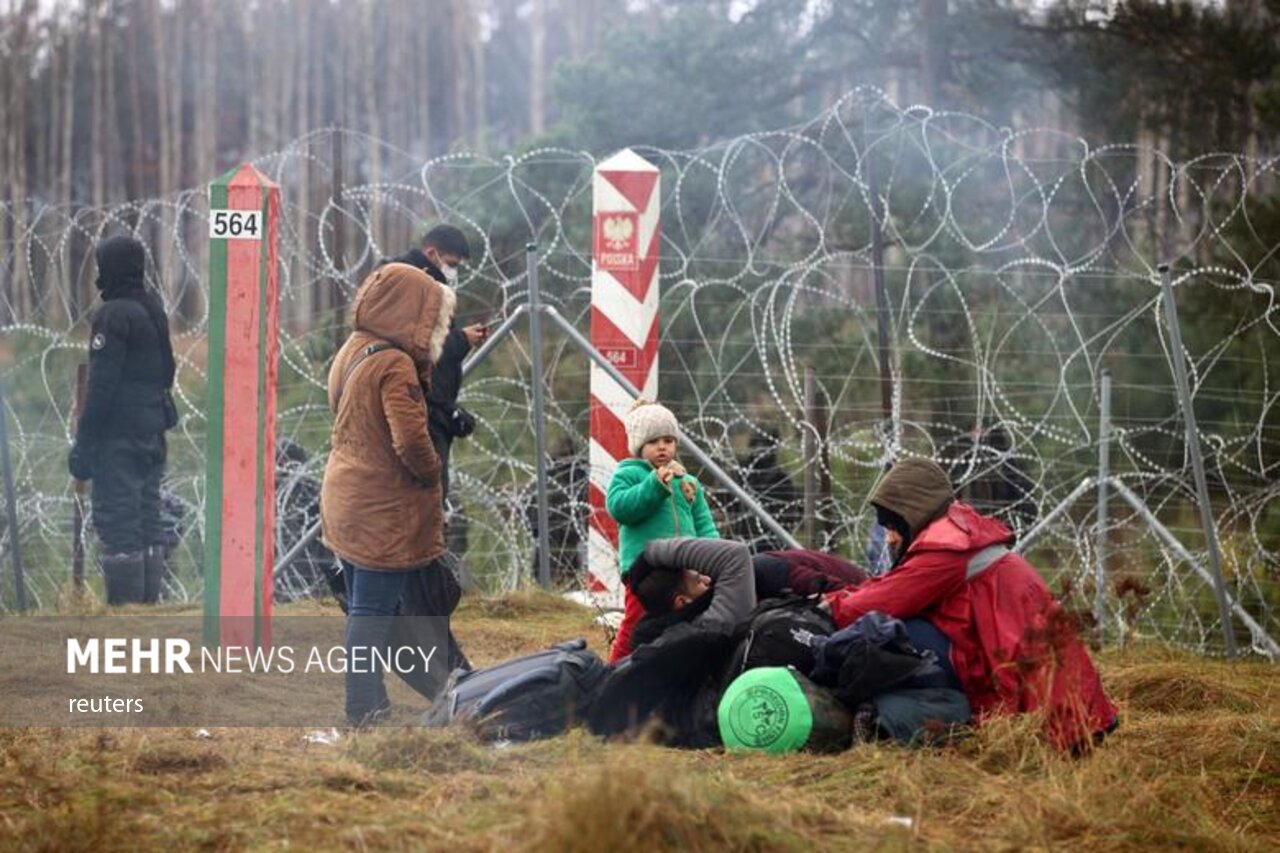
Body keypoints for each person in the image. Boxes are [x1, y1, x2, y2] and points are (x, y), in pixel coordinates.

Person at [819, 458, 1117, 751]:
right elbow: (893, 585)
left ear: (913, 514)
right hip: (1066, 700)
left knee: (891, 633)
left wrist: (824, 609)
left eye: (893, 524)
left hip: (1056, 713)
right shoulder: (958, 534)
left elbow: (881, 602)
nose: (889, 537)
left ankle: (885, 717)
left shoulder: (947, 550)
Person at [321, 262, 456, 726]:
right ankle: (362, 709)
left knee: (365, 605)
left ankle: (371, 701)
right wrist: (432, 472)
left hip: (348, 494)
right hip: (381, 506)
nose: (438, 327)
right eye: (433, 317)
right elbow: (411, 440)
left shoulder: (355, 348)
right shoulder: (395, 364)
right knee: (372, 611)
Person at [68, 235, 177, 605]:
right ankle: (148, 614)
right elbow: (168, 369)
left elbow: (101, 386)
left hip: (119, 437)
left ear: (109, 269)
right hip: (152, 430)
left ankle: (126, 619)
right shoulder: (153, 309)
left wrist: (85, 443)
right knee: (147, 518)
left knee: (118, 523)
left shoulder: (112, 315)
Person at [605, 399, 720, 663]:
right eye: (654, 441)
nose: (662, 447)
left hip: (684, 568)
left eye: (668, 440)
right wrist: (653, 486)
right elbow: (620, 508)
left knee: (682, 619)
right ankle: (612, 671)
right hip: (646, 570)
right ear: (639, 446)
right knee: (636, 621)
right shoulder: (629, 474)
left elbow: (703, 523)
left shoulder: (687, 482)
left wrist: (713, 556)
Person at [385, 224, 487, 501]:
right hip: (420, 409)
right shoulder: (413, 284)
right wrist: (462, 340)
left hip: (432, 409)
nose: (454, 271)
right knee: (424, 500)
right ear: (432, 253)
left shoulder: (428, 284)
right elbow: (421, 345)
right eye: (452, 264)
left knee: (426, 502)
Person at [627, 538, 755, 649]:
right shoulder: (715, 625)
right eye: (699, 581)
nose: (708, 579)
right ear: (682, 601)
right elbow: (735, 554)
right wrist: (651, 552)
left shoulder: (661, 643)